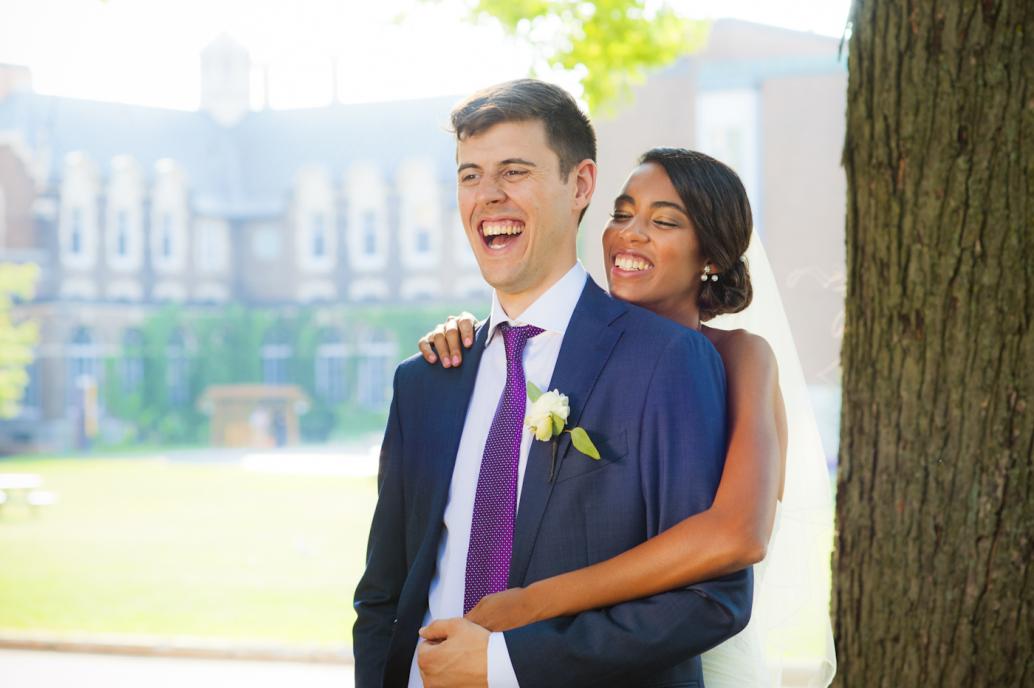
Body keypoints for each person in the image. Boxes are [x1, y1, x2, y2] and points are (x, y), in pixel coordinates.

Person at [353, 79, 753, 688]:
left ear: (581, 185)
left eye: (514, 172)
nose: (488, 196)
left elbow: (711, 598)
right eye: (470, 175)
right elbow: (384, 596)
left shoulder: (667, 361)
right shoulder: (425, 380)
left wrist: (503, 664)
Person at [417, 148, 837, 686]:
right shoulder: (574, 348)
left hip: (680, 654)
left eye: (662, 222)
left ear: (710, 255)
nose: (629, 234)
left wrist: (533, 604)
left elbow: (738, 534)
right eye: (621, 214)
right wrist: (472, 340)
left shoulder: (741, 358)